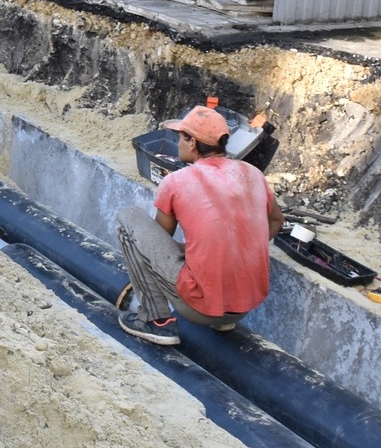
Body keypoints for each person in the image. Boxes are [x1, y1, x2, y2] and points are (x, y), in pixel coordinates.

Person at [114, 106, 284, 345]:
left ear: (192, 143)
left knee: (128, 218)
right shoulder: (253, 174)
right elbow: (277, 220)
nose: (178, 143)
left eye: (181, 138)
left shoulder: (175, 181)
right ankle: (224, 322)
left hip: (199, 308)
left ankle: (156, 320)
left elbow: (157, 242)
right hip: (245, 307)